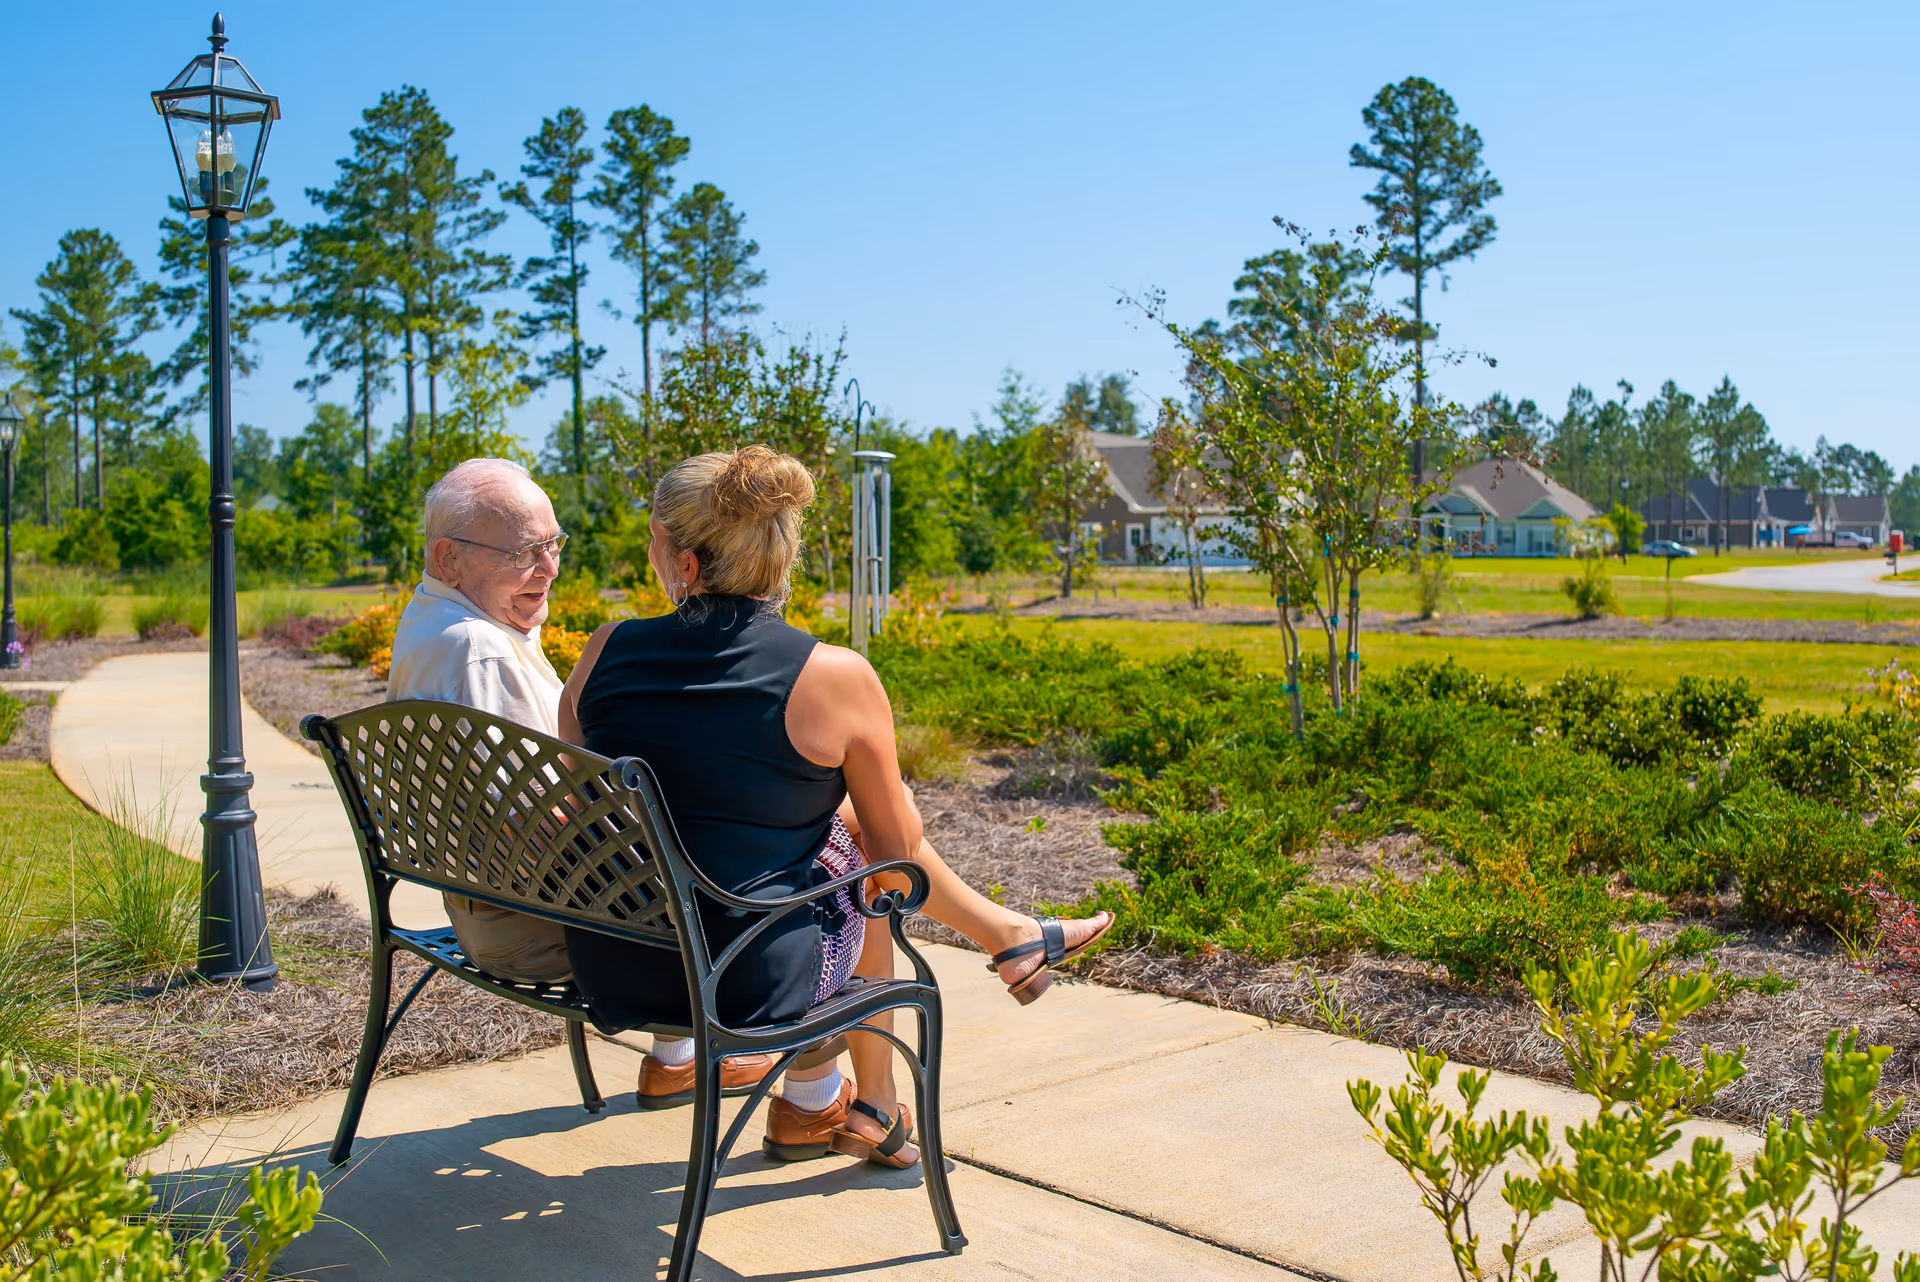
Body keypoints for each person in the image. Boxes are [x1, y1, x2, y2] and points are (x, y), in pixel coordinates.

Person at [559, 445, 1112, 1170]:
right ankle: (870, 1104)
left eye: (656, 544)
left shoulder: (604, 652)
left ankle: (1001, 944)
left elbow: (586, 804)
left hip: (616, 962)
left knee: (845, 846)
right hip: (744, 985)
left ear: (687, 565)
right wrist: (886, 799)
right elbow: (898, 862)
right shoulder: (835, 676)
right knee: (867, 870)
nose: (654, 558)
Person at [385, 457, 773, 1105]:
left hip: (490, 907)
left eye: (553, 544)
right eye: (525, 552)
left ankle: (676, 1057)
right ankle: (820, 1097)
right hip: (533, 931)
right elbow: (547, 834)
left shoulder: (439, 623)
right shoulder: (477, 650)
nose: (549, 568)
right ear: (448, 559)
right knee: (792, 885)